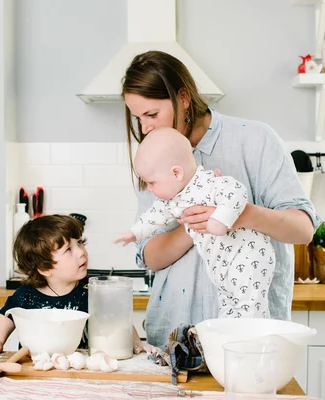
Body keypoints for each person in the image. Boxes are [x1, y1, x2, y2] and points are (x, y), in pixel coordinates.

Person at [121, 50, 319, 348]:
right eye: (138, 118)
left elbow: (303, 229)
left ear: (183, 97)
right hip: (175, 334)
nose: (146, 127)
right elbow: (151, 257)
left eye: (151, 114)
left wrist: (237, 215)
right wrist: (194, 221)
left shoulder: (254, 139)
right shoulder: (153, 156)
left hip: (251, 337)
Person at [114, 127, 275, 318]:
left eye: (152, 183)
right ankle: (228, 337)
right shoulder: (174, 199)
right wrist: (134, 233)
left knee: (249, 308)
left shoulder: (209, 183)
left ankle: (249, 340)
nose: (149, 189)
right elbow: (153, 216)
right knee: (228, 307)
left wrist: (219, 219)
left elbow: (237, 191)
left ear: (176, 173)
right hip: (221, 266)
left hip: (248, 256)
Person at [0, 214, 155, 355]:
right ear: (45, 268)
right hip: (37, 369)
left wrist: (135, 342)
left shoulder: (92, 290)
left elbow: (119, 321)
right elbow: (6, 315)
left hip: (83, 367)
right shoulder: (27, 295)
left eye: (79, 243)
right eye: (68, 250)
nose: (81, 252)